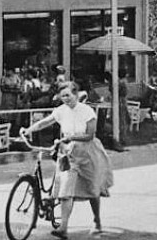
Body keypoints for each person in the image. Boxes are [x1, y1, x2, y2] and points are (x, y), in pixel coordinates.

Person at [23, 81, 114, 239]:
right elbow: (46, 121)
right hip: (68, 154)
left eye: (68, 95)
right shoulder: (60, 111)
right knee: (65, 190)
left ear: (76, 94)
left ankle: (97, 220)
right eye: (62, 96)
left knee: (92, 189)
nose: (65, 99)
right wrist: (30, 129)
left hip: (87, 153)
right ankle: (63, 228)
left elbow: (90, 135)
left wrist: (70, 137)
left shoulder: (87, 111)